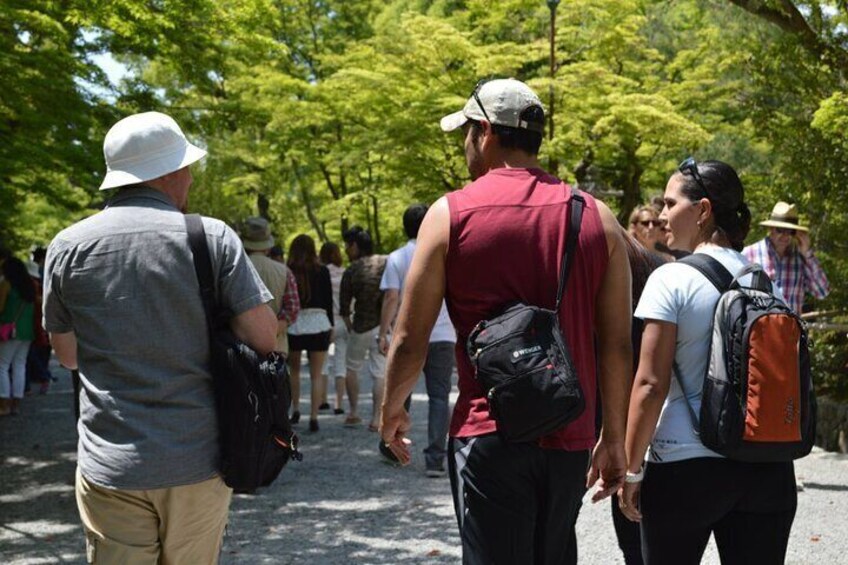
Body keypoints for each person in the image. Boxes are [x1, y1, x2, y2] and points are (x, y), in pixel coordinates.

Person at [379, 78, 632, 564]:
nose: (464, 146)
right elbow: (616, 343)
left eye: (466, 133)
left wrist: (392, 408)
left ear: (487, 132)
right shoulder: (597, 218)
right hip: (569, 433)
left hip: (487, 430)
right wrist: (614, 437)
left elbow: (411, 336)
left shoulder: (450, 214)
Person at [43, 111, 277, 564]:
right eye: (186, 167)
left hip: (110, 461)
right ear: (169, 171)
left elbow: (68, 356)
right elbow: (265, 340)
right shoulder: (211, 238)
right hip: (197, 457)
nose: (189, 178)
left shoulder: (67, 246)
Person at [620, 158, 797, 564]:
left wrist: (632, 470)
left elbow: (650, 384)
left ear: (702, 210)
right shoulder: (764, 282)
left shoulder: (670, 279)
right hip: (766, 467)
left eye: (670, 204)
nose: (663, 216)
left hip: (684, 468)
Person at [378, 204, 456, 477]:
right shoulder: (447, 252)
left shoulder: (398, 257)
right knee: (439, 397)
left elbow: (391, 297)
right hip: (444, 334)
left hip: (407, 333)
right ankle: (435, 459)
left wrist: (383, 332)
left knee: (401, 392)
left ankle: (394, 446)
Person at [743, 201, 829, 315]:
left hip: (791, 330)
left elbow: (822, 292)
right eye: (780, 230)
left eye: (790, 231)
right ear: (771, 229)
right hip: (759, 329)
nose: (785, 235)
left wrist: (807, 253)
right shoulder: (749, 254)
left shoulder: (802, 258)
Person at [339, 226, 387, 430]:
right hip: (383, 326)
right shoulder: (386, 263)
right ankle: (376, 419)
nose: (347, 250)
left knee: (352, 368)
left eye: (348, 246)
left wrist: (350, 327)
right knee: (380, 372)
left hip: (360, 326)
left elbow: (344, 304)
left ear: (356, 246)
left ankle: (353, 412)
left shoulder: (352, 269)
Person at [286, 234, 334, 432]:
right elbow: (329, 300)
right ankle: (314, 417)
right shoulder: (322, 270)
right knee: (316, 375)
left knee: (294, 371)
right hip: (319, 322)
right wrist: (331, 324)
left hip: (295, 323)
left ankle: (295, 409)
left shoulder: (288, 270)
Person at [242, 217, 299, 361]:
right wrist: (272, 331)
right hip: (276, 345)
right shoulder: (284, 272)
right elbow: (292, 309)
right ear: (268, 246)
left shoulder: (233, 269)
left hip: (241, 346)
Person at [0, 257, 36, 416]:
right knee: (19, 365)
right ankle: (16, 403)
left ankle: (4, 404)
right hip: (27, 331)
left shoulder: (6, 285)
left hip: (8, 330)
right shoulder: (30, 286)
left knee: (2, 366)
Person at [320, 241, 347, 415]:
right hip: (343, 321)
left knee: (322, 363)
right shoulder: (345, 273)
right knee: (341, 362)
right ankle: (338, 403)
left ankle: (322, 400)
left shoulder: (322, 273)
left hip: (325, 321)